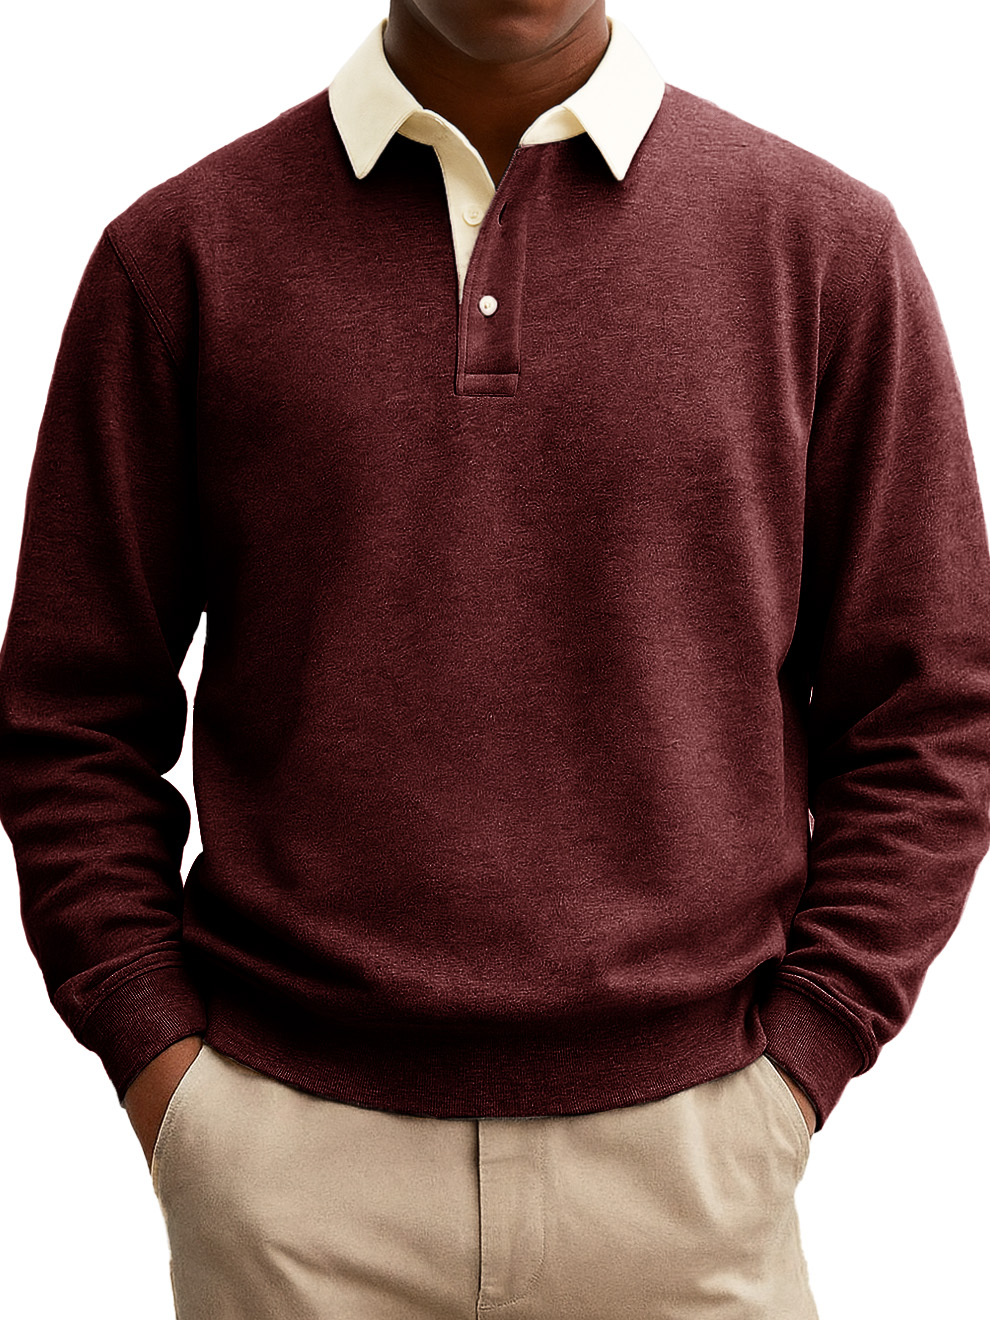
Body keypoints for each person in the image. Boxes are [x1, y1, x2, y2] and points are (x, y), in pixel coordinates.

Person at [1, 1, 988, 1316]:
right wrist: (161, 1065)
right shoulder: (182, 255)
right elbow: (70, 712)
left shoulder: (824, 251)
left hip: (692, 1170)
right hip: (292, 1175)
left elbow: (929, 710)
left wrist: (803, 1057)